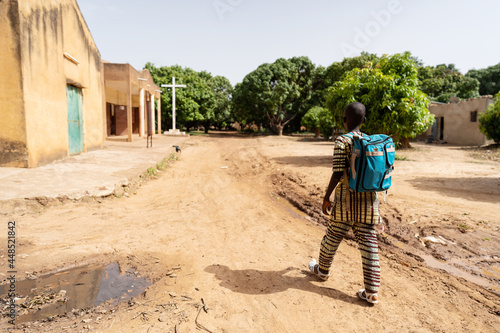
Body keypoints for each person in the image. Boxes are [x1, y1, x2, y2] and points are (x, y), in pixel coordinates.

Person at [308, 102, 382, 304]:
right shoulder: (371, 141)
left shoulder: (342, 141)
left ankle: (322, 270)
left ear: (344, 120)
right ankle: (372, 291)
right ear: (364, 120)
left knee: (332, 237)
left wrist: (326, 196)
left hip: (344, 203)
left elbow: (338, 171)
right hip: (368, 204)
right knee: (369, 247)